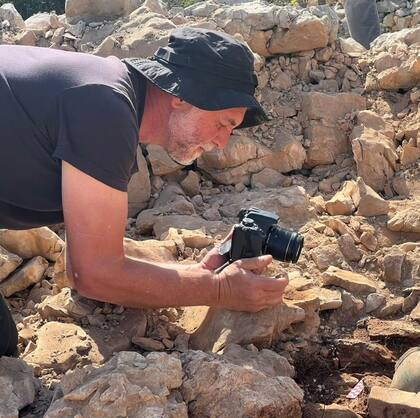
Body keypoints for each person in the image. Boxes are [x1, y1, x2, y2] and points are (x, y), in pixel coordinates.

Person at [0, 28, 289, 357]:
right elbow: (93, 273)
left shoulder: (108, 94)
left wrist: (194, 275)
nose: (221, 143)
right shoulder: (104, 107)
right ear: (180, 96)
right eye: (223, 123)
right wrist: (220, 290)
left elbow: (92, 263)